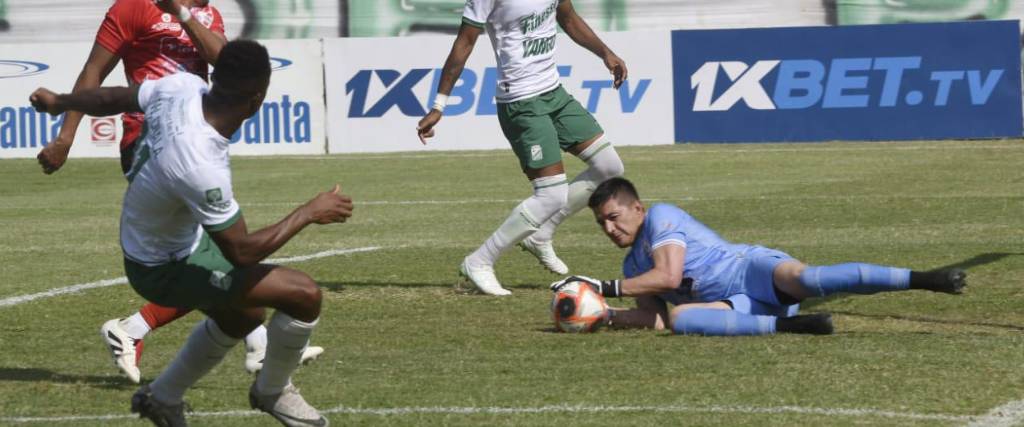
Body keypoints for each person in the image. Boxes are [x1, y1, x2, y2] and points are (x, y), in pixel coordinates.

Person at [31, 39, 340, 426]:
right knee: (303, 295)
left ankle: (162, 398)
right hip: (162, 266)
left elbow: (114, 98)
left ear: (213, 76)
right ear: (258, 97)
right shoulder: (199, 161)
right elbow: (242, 253)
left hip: (168, 241)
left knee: (244, 316)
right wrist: (308, 213)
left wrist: (63, 102)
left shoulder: (182, 86)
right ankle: (272, 391)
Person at [551, 177, 967, 335]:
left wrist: (603, 287)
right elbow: (657, 318)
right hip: (737, 305)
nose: (609, 229)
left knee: (808, 280)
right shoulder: (631, 267)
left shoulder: (661, 217)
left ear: (637, 208)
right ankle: (794, 327)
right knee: (680, 320)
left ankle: (926, 279)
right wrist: (605, 315)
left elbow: (670, 276)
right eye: (601, 224)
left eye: (613, 217)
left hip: (751, 271)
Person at [416, 0, 626, 295]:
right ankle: (479, 262)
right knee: (551, 194)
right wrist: (439, 105)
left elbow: (568, 18)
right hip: (521, 102)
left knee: (609, 167)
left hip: (554, 93)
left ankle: (542, 233)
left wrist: (606, 53)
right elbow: (463, 44)